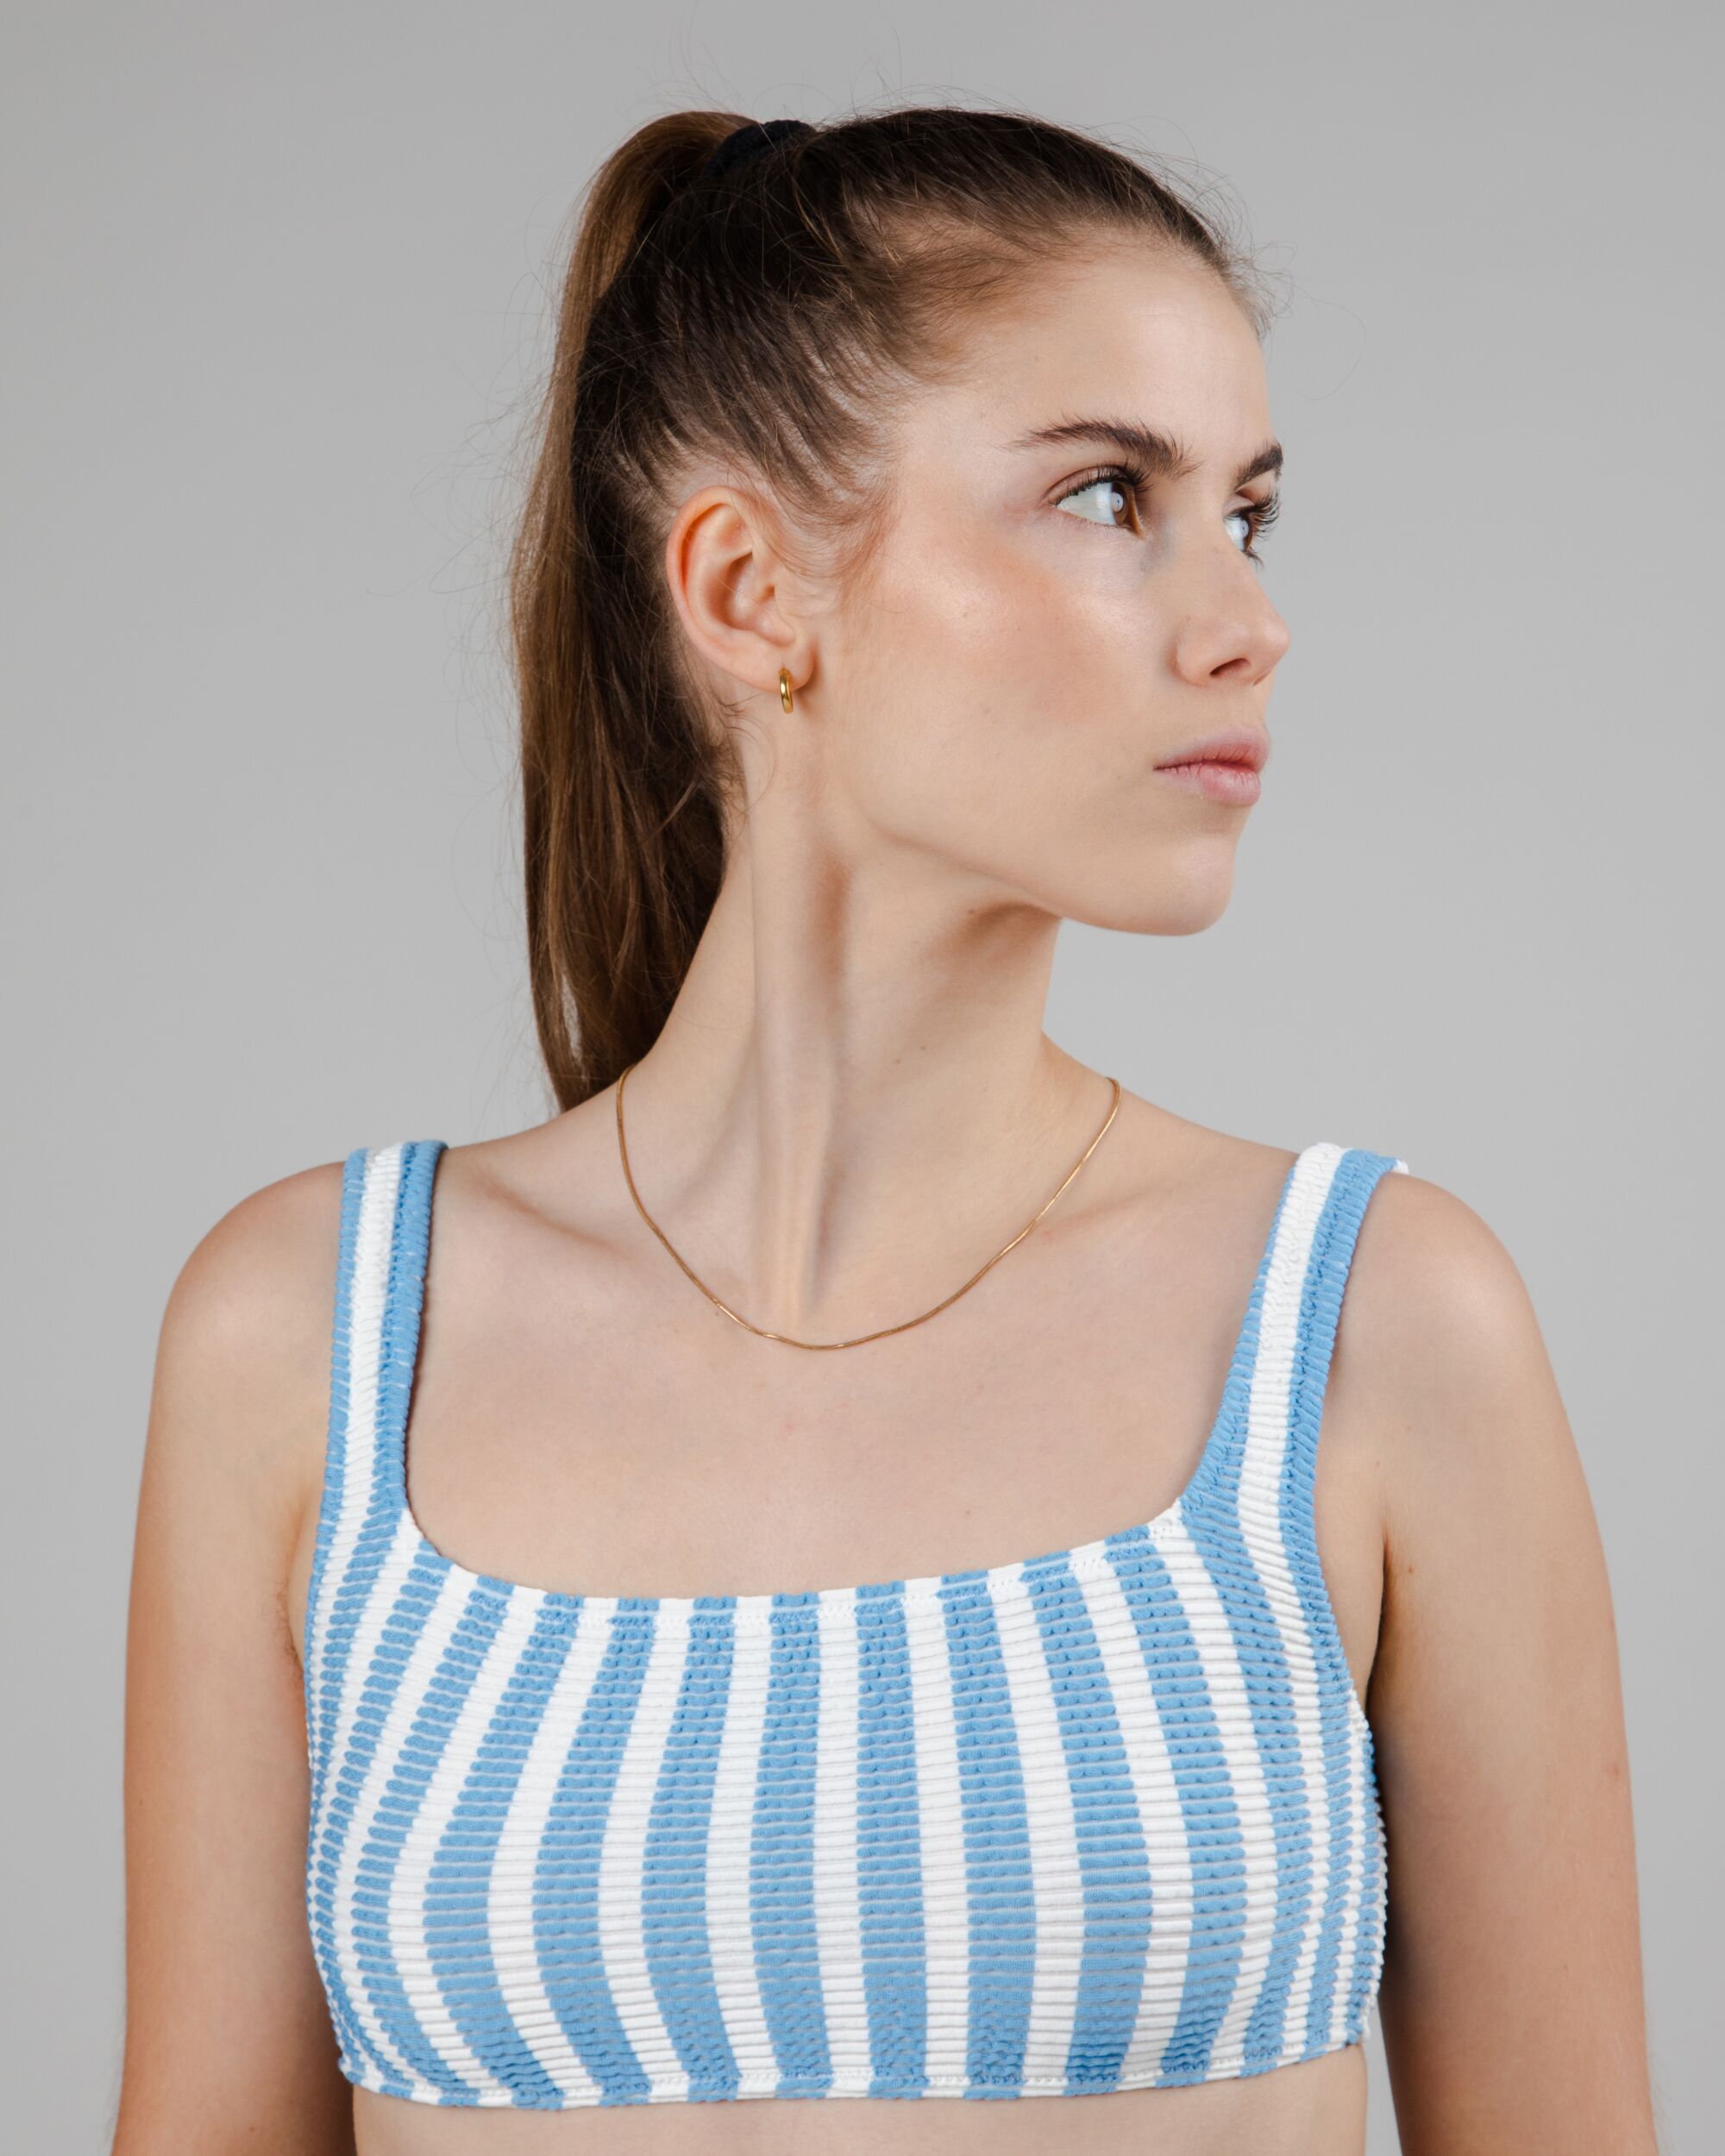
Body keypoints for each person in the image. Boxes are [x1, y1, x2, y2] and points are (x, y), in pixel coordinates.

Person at [113, 104, 1661, 2156]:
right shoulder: (304, 1340)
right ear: (751, 592)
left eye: (1249, 514)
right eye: (1111, 494)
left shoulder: (1378, 1326)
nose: (1244, 620)